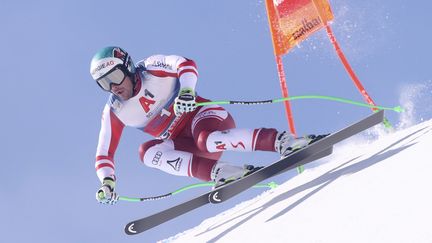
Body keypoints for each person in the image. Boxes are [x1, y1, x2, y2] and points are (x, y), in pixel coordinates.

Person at [90, 46, 320, 205]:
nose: (113, 87)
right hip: (184, 143)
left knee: (206, 139)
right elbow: (104, 152)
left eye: (115, 77)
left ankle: (284, 142)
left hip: (206, 118)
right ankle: (222, 173)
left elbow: (185, 63)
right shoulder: (115, 110)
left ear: (127, 67)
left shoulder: (150, 68)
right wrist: (107, 182)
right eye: (104, 83)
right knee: (147, 153)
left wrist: (187, 90)